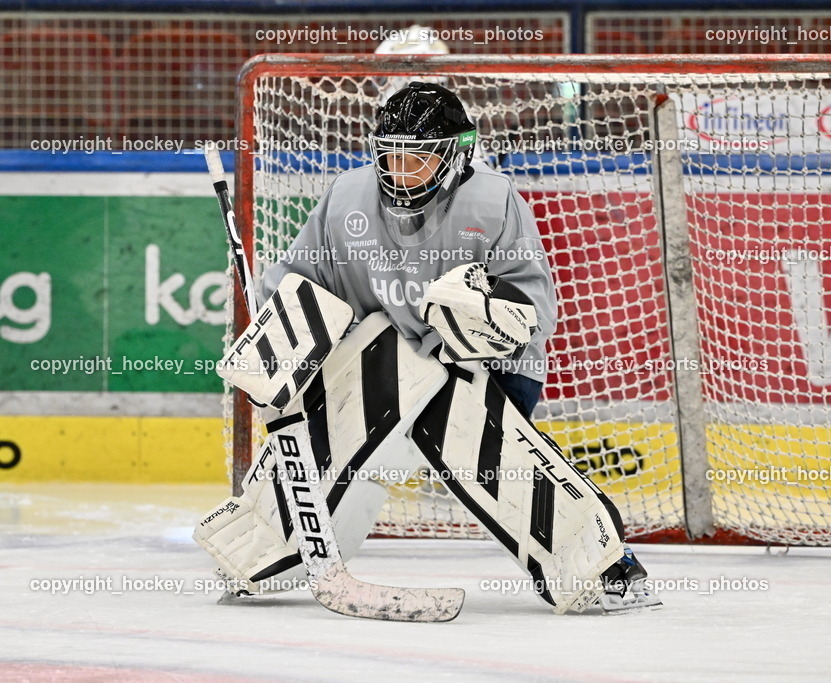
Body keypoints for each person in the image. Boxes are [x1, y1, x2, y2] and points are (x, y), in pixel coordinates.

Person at [195, 82, 660, 614]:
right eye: (390, 156)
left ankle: (597, 563)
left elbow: (533, 309)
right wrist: (275, 336)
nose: (400, 171)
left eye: (417, 158)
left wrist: (483, 319)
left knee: (448, 399)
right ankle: (265, 547)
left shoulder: (491, 201)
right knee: (377, 364)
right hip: (385, 365)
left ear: (456, 154)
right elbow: (304, 282)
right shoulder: (348, 197)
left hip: (488, 369)